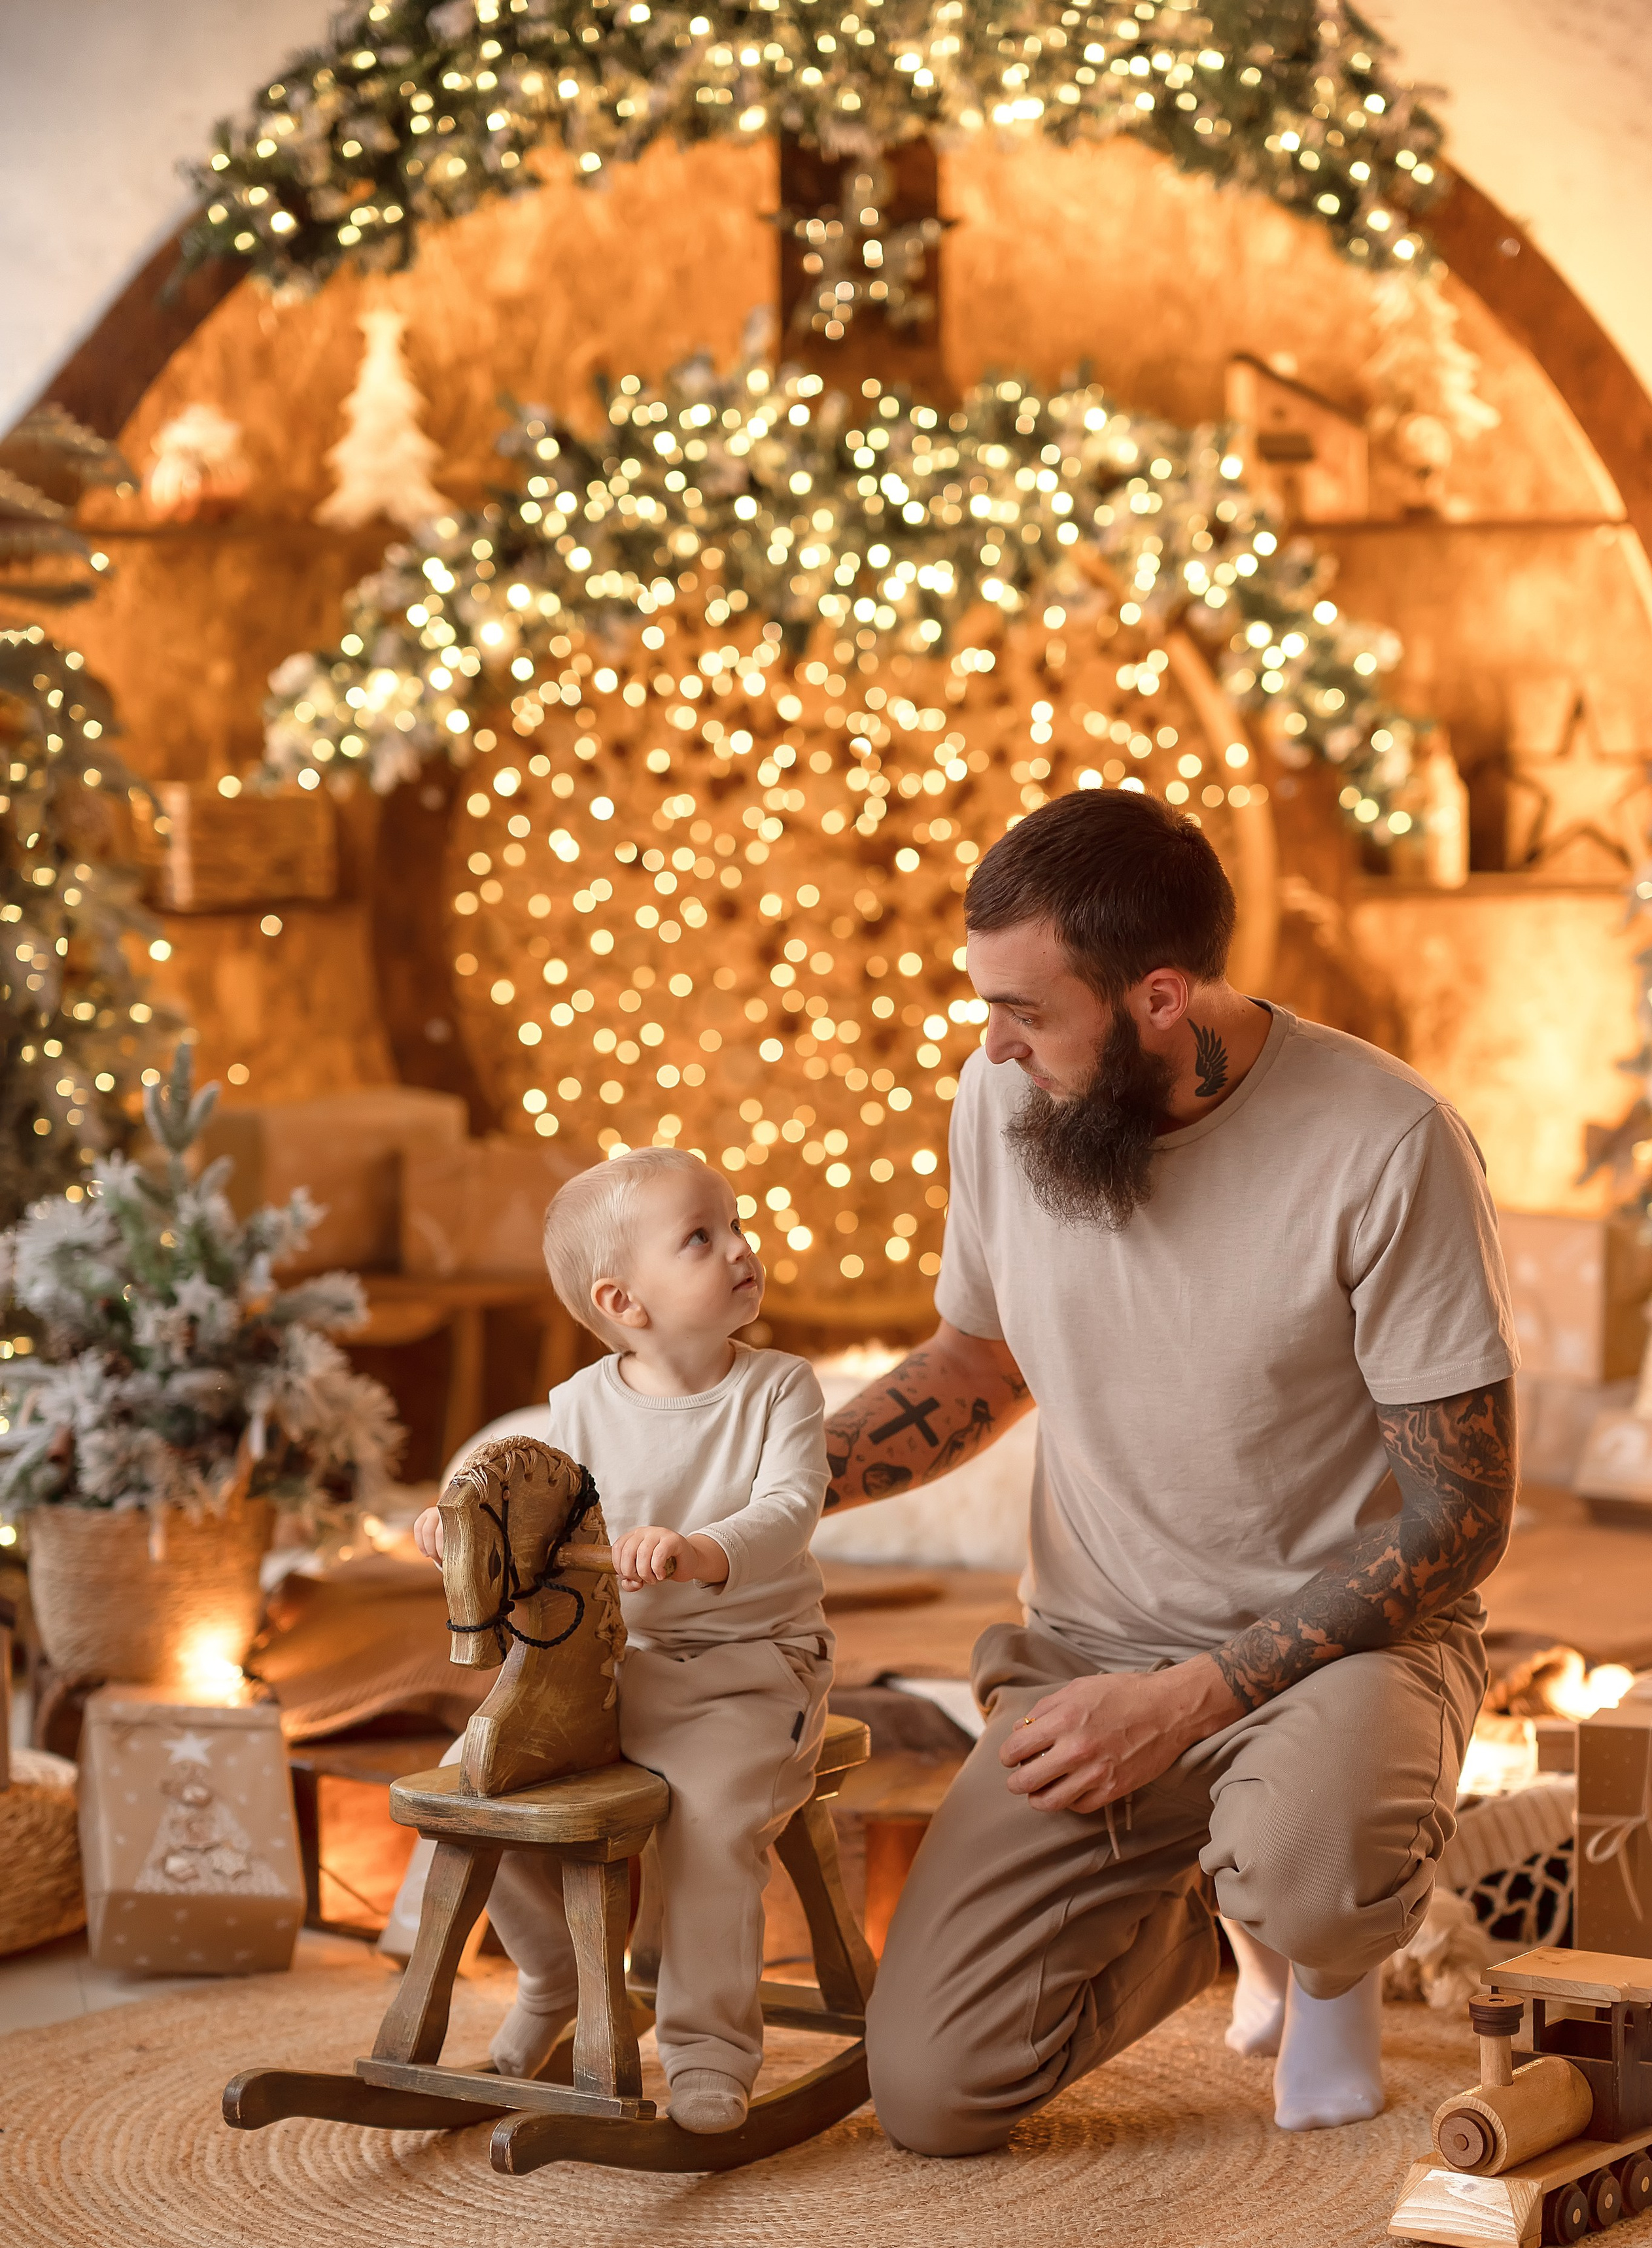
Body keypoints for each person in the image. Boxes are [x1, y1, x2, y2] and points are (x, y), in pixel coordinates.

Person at [825, 787, 1518, 2155]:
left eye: (1022, 1010)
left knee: (1309, 1878)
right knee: (931, 2093)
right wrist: (742, 1488)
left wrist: (1194, 1696)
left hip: (1340, 1652)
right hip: (1085, 1651)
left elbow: (1459, 1515)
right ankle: (1204, 1924)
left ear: (1157, 998)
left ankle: (1317, 1960)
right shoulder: (1000, 1096)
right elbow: (975, 1371)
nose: (987, 1043)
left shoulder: (1385, 1143)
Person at [413, 1147, 830, 2135]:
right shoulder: (579, 1408)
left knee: (713, 1827)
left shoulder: (779, 1389)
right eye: (702, 1237)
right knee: (474, 1785)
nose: (740, 1247)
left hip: (749, 1673)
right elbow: (531, 1520)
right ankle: (555, 1980)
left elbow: (789, 1508)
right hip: (613, 1672)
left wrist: (696, 1550)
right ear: (625, 1301)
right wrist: (454, 1529)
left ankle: (706, 2050)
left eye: (736, 1224)